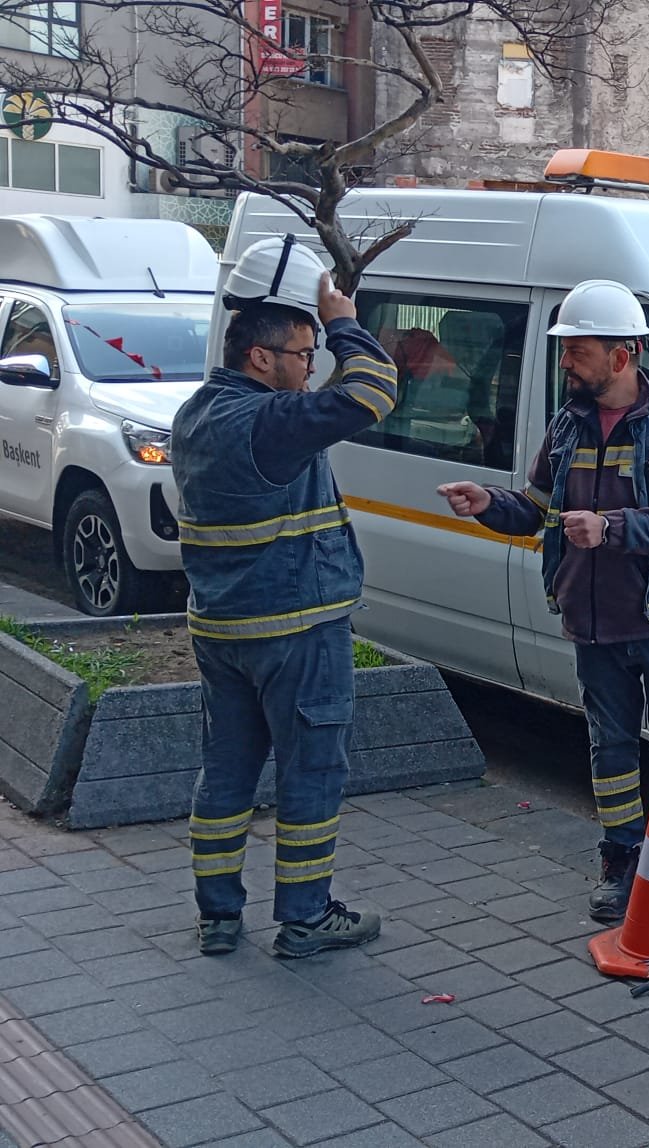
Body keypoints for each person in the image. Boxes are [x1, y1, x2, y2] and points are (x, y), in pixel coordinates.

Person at [437, 279, 649, 920]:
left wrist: (611, 528)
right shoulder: (567, 424)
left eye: (579, 350)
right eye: (567, 349)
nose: (566, 361)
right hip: (594, 621)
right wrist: (490, 506)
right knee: (609, 748)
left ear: (624, 355)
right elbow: (540, 507)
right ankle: (623, 859)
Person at [172, 237, 398, 959]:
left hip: (222, 630)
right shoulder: (268, 422)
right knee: (312, 771)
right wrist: (343, 321)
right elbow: (372, 393)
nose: (311, 370)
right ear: (260, 356)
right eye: (304, 356)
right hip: (296, 631)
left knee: (228, 771)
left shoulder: (197, 414)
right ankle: (304, 917)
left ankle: (217, 916)